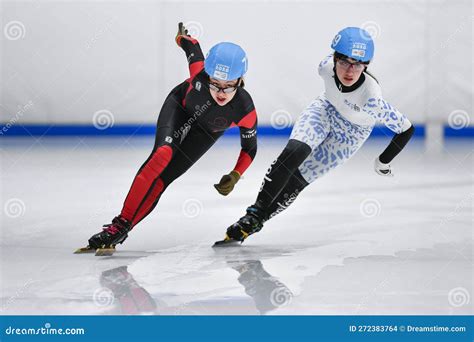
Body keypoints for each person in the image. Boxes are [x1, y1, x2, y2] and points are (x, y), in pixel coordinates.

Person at [215, 27, 415, 246]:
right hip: (324, 110)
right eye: (344, 62)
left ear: (366, 65)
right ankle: (253, 213)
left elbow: (406, 129)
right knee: (294, 152)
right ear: (335, 59)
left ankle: (254, 223)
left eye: (357, 64)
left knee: (297, 180)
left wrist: (382, 161)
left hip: (350, 134)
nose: (349, 70)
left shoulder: (372, 99)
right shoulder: (325, 67)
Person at [76, 23, 258, 255]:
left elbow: (250, 148)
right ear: (208, 75)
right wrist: (181, 37)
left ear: (240, 81)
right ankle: (118, 223)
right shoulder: (199, 73)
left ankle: (123, 229)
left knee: (163, 180)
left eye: (229, 86)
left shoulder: (245, 109)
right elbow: (192, 47)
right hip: (179, 109)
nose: (221, 93)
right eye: (215, 84)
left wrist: (236, 174)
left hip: (206, 132)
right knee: (163, 154)